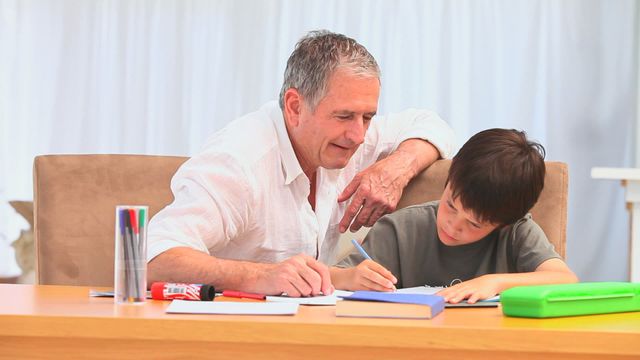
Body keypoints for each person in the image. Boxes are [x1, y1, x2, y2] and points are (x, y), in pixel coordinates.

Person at [146, 30, 455, 297]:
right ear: (295, 107)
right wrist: (260, 276)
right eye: (344, 116)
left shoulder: (351, 137)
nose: (358, 135)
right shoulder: (239, 161)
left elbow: (432, 125)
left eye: (368, 117)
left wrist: (396, 169)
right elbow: (152, 259)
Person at [332, 128, 578, 303]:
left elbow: (565, 280)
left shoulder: (517, 231)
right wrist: (351, 277)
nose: (453, 224)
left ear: (503, 224)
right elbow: (331, 278)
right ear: (449, 181)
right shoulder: (400, 228)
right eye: (450, 205)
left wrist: (493, 283)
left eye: (474, 223)